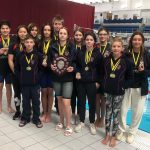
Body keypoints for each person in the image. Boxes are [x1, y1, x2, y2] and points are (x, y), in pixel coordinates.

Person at [116, 31, 150, 144]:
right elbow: (120, 68)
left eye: (139, 40)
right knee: (122, 110)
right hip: (127, 86)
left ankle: (131, 132)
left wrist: (144, 71)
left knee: (137, 112)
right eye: (135, 39)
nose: (137, 41)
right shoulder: (126, 53)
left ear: (142, 41)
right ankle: (121, 130)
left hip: (140, 87)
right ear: (131, 41)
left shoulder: (146, 54)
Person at [101, 37, 133, 147]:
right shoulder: (106, 60)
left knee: (116, 114)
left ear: (122, 48)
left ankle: (113, 136)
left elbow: (130, 77)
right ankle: (107, 135)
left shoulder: (126, 62)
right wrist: (104, 85)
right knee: (108, 114)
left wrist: (123, 86)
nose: (116, 48)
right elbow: (102, 74)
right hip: (108, 91)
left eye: (118, 46)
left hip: (119, 92)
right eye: (114, 46)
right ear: (111, 47)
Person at [74, 31, 103, 135]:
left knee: (92, 104)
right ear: (84, 41)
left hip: (92, 83)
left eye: (91, 40)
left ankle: (91, 122)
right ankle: (81, 121)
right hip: (81, 82)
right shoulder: (80, 52)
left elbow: (101, 70)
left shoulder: (98, 54)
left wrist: (98, 82)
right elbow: (76, 64)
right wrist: (77, 71)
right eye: (87, 40)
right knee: (81, 102)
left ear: (94, 41)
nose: (89, 42)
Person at [48, 27, 75, 136]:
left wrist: (73, 67)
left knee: (66, 102)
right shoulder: (53, 47)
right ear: (58, 34)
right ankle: (61, 121)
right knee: (59, 100)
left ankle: (68, 125)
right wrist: (51, 65)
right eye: (61, 33)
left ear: (67, 35)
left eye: (64, 33)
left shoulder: (72, 47)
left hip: (67, 78)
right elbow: (50, 60)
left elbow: (75, 62)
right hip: (56, 77)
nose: (62, 35)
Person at [15, 35, 43, 128]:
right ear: (24, 43)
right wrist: (20, 78)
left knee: (36, 102)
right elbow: (16, 68)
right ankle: (25, 118)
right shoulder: (20, 55)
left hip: (35, 84)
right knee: (25, 101)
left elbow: (41, 68)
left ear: (34, 43)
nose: (29, 44)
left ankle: (36, 119)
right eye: (27, 42)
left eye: (31, 42)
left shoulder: (38, 55)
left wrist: (38, 78)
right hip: (24, 84)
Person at [8, 25, 28, 120]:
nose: (22, 34)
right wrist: (15, 72)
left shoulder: (30, 43)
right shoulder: (13, 44)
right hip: (15, 74)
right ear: (17, 33)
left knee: (26, 93)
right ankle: (18, 110)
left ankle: (26, 111)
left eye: (24, 32)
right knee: (17, 93)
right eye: (20, 32)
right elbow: (10, 60)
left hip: (27, 74)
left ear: (27, 33)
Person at [95, 28, 111, 127]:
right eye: (100, 34)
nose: (102, 36)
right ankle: (98, 117)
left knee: (104, 100)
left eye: (104, 34)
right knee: (96, 99)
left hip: (106, 78)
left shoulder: (111, 48)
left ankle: (103, 119)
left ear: (108, 36)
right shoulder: (95, 48)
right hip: (96, 77)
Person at [38, 23, 54, 123]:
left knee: (50, 92)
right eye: (45, 30)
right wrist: (42, 58)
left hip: (51, 70)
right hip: (42, 70)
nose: (46, 32)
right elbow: (36, 53)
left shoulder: (55, 43)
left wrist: (48, 62)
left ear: (51, 31)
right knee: (43, 92)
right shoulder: (39, 42)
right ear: (43, 31)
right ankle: (44, 112)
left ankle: (49, 113)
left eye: (48, 30)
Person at [0, 20, 15, 113]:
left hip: (9, 66)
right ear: (0, 30)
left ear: (10, 29)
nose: (5, 30)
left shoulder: (13, 40)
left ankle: (9, 106)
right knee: (0, 86)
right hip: (0, 67)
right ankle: (0, 106)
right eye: (3, 28)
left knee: (9, 86)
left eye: (6, 28)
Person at [71, 27, 84, 125]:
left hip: (82, 76)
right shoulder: (71, 46)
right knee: (72, 95)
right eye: (76, 35)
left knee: (80, 96)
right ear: (74, 36)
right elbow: (71, 61)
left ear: (82, 36)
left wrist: (79, 71)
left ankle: (79, 114)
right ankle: (72, 113)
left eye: (80, 35)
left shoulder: (85, 47)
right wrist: (75, 70)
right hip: (71, 75)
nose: (78, 37)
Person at [52, 15, 64, 114]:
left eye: (59, 24)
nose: (57, 26)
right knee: (50, 89)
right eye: (55, 24)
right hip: (52, 67)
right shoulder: (50, 37)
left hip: (62, 68)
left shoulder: (65, 36)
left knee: (59, 90)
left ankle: (58, 107)